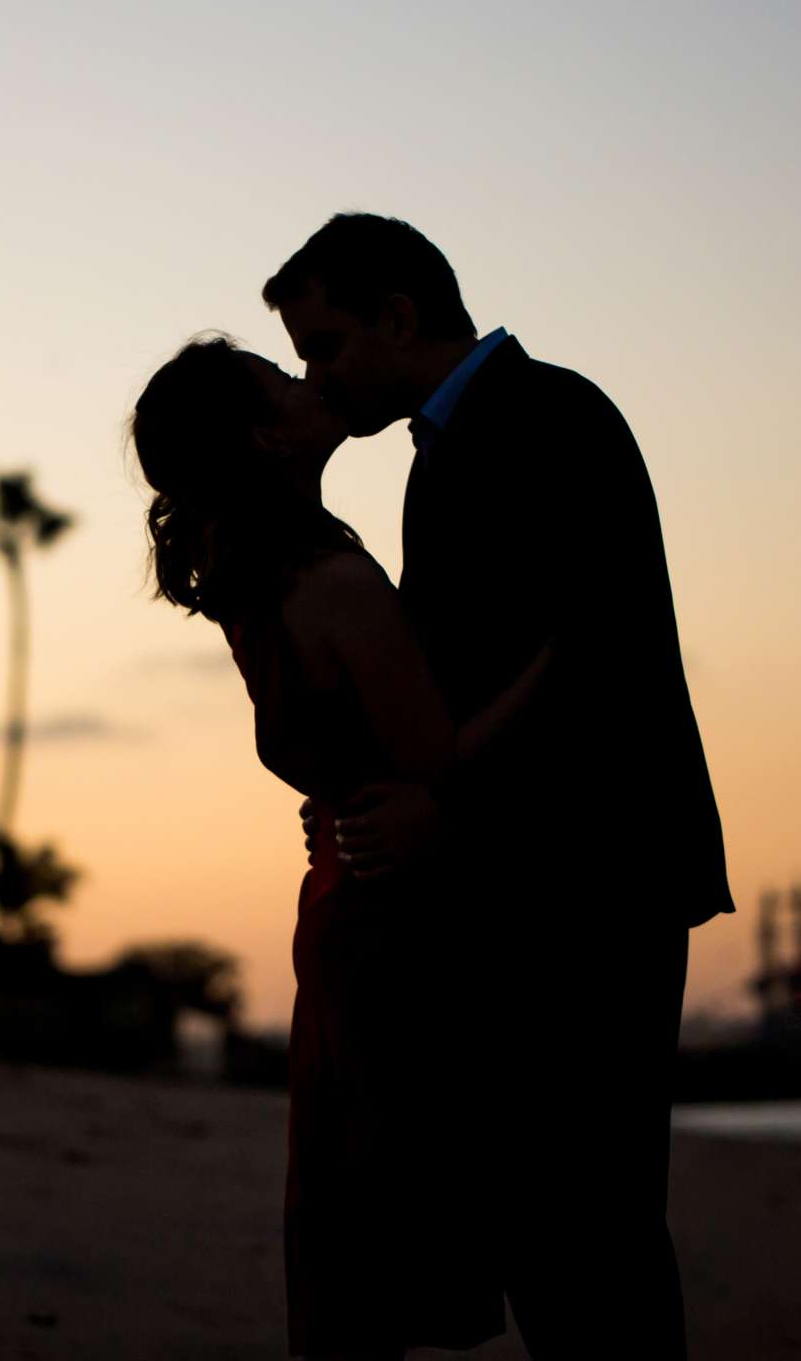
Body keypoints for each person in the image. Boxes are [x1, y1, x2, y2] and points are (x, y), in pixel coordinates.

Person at [264, 212, 734, 1359]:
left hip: (593, 881)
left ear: (401, 317)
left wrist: (445, 808)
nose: (312, 376)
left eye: (324, 346)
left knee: (589, 1226)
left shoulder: (545, 416)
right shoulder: (458, 445)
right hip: (534, 883)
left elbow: (595, 652)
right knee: (553, 1223)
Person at [132, 336, 555, 1359]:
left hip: (344, 905)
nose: (309, 378)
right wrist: (558, 661)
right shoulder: (326, 575)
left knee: (352, 1233)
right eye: (282, 380)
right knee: (384, 1233)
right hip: (391, 925)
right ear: (265, 436)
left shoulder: (254, 570)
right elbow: (433, 755)